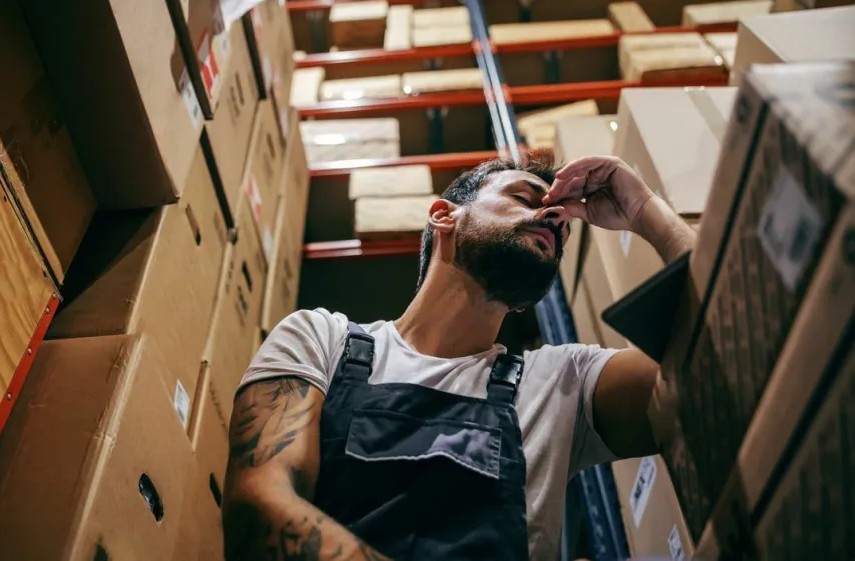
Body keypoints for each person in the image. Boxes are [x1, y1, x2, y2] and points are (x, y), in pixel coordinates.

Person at [221, 152, 697, 561]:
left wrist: (642, 208)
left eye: (563, 224)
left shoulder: (564, 382)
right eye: (525, 200)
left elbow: (710, 364)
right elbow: (258, 510)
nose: (555, 218)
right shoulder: (321, 340)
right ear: (444, 216)